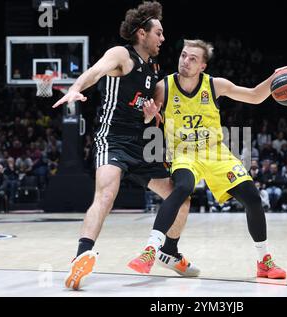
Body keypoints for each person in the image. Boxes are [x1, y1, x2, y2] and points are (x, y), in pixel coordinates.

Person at [52, 2, 199, 290]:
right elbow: (96, 71)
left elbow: (145, 107)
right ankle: (81, 256)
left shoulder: (152, 67)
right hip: (113, 138)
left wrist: (149, 116)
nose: (163, 38)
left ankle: (168, 251)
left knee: (180, 198)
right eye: (158, 32)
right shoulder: (121, 54)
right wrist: (74, 88)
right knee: (107, 192)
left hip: (141, 142)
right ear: (141, 33)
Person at [128, 39, 287, 279]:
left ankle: (264, 261)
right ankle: (150, 249)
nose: (185, 61)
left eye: (192, 59)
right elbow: (148, 119)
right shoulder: (163, 87)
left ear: (203, 66)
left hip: (216, 153)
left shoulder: (215, 85)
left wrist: (277, 76)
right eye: (184, 55)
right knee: (183, 187)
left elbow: (255, 96)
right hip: (183, 153)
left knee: (252, 197)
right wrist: (148, 117)